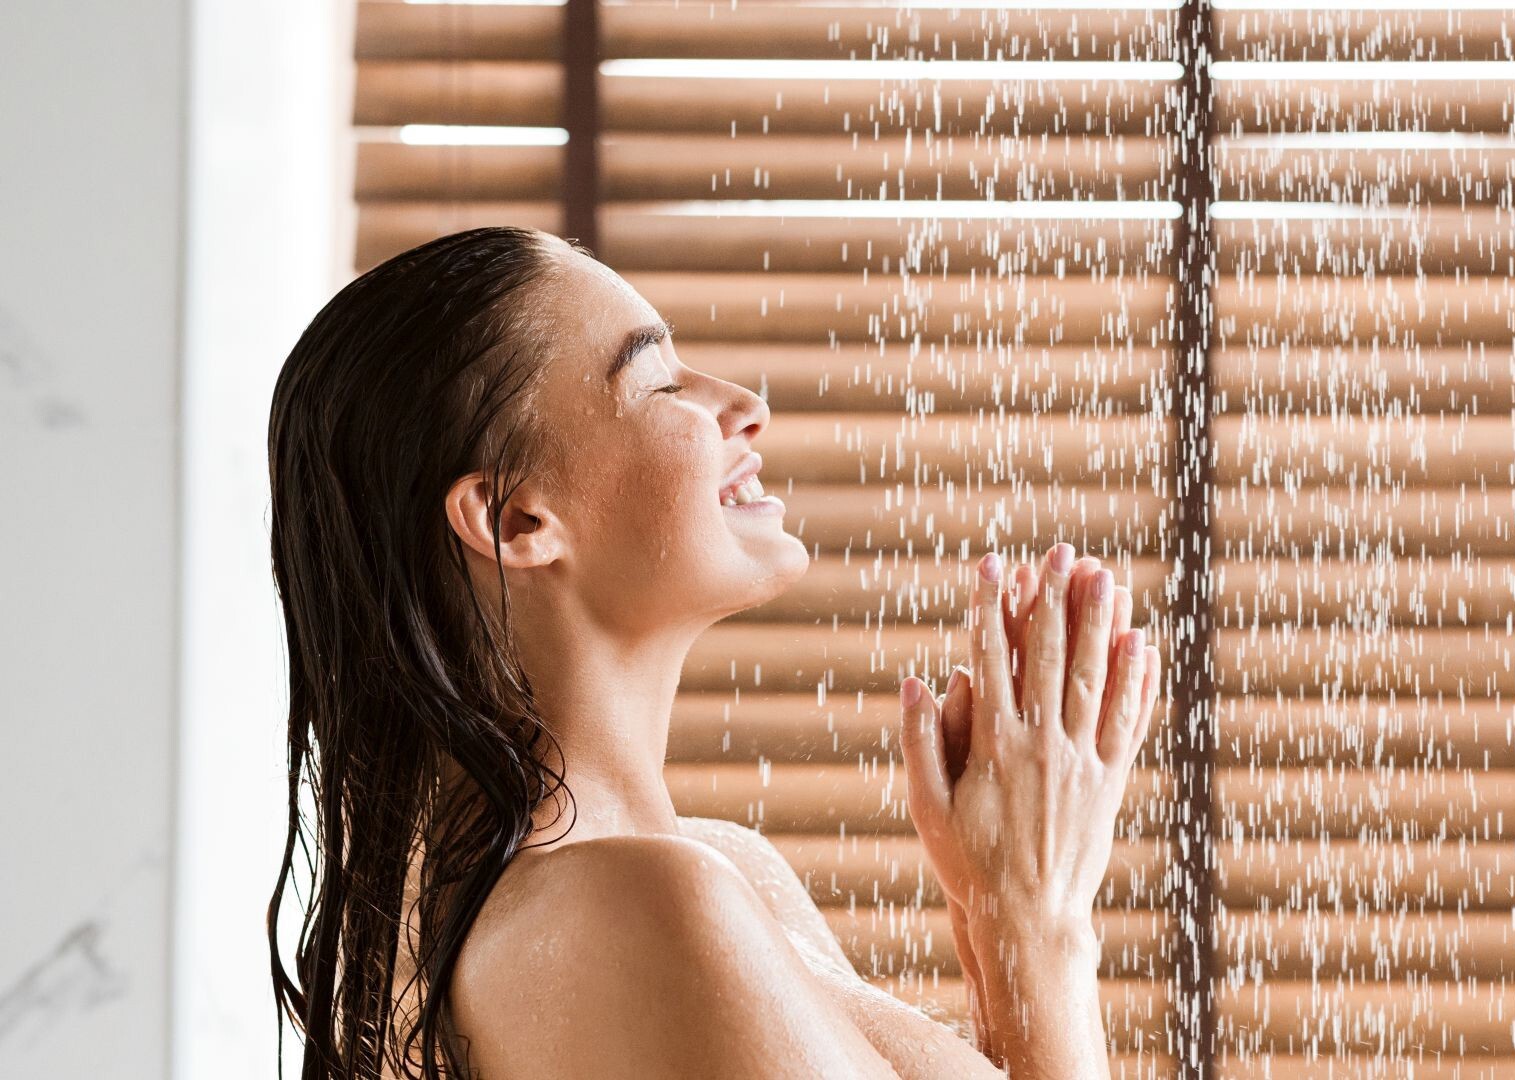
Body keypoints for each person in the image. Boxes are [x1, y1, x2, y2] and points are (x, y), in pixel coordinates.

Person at [265, 225, 1163, 1079]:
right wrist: (1037, 919)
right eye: (659, 381)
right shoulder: (628, 905)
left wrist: (995, 911)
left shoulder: (708, 871)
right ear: (517, 519)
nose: (747, 407)